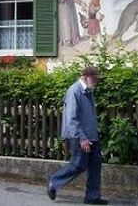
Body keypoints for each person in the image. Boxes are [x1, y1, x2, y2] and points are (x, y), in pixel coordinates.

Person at [47, 66, 108, 205]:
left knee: (95, 166)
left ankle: (92, 197)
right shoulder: (74, 91)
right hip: (80, 136)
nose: (97, 81)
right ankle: (54, 182)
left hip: (92, 136)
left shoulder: (87, 91)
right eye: (96, 78)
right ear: (87, 76)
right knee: (78, 165)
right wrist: (82, 138)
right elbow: (71, 118)